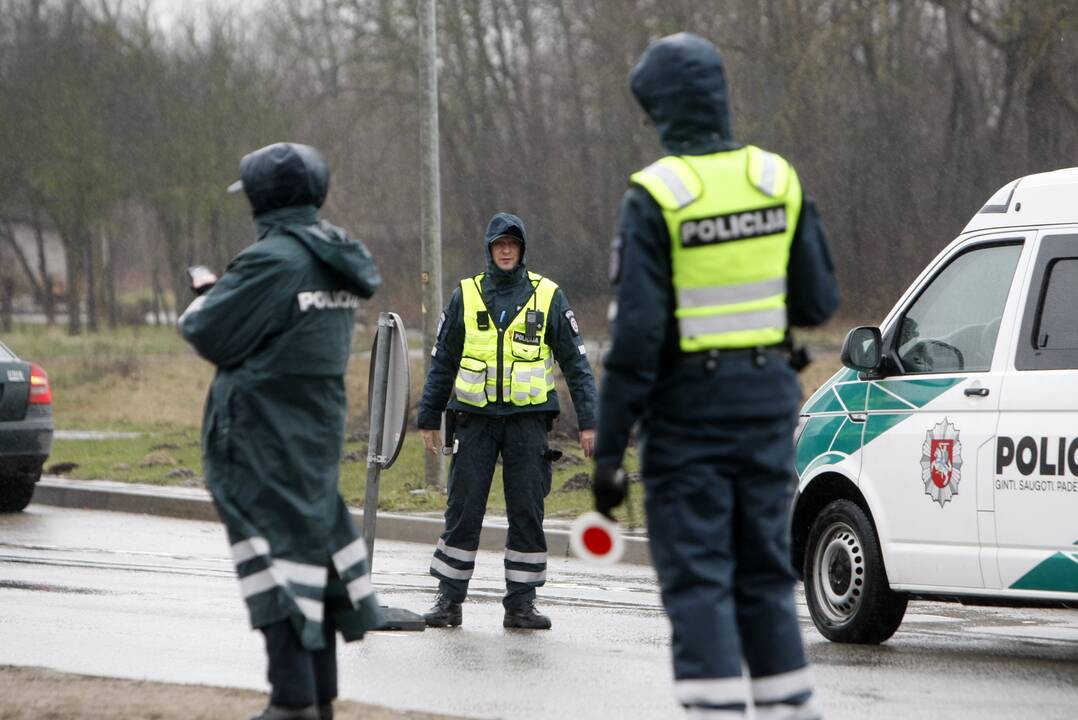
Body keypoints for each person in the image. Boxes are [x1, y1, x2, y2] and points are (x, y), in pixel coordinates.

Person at [592, 34, 839, 720]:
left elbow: (637, 339)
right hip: (766, 408)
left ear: (663, 111)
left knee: (700, 581)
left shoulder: (656, 195)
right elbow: (817, 302)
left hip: (688, 418)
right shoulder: (775, 178)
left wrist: (609, 454)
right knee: (764, 575)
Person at [179, 142, 383, 720]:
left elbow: (208, 333)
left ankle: (290, 702)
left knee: (273, 562)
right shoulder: (335, 254)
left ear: (262, 200)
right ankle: (316, 701)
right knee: (309, 556)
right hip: (312, 432)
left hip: (261, 436)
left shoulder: (270, 260)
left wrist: (209, 297)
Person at [417, 212, 598, 630]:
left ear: (521, 250)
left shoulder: (547, 295)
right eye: (499, 244)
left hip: (527, 424)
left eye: (512, 244)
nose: (505, 250)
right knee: (462, 509)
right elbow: (442, 361)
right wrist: (428, 416)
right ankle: (448, 600)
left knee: (527, 511)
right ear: (489, 248)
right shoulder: (467, 294)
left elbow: (576, 363)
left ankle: (521, 604)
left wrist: (590, 421)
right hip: (475, 422)